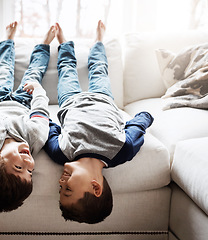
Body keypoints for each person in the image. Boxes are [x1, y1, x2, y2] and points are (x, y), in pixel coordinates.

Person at [44, 20, 154, 224]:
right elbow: (138, 126)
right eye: (67, 188)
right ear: (96, 187)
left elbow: (48, 127)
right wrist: (146, 116)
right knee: (99, 68)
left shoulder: (61, 152)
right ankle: (98, 41)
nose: (60, 181)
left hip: (70, 101)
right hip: (102, 98)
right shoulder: (122, 149)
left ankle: (64, 44)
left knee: (66, 69)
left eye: (61, 187)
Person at [0, 21, 56, 213]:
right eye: (30, 172)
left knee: (3, 70)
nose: (29, 163)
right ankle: (44, 45)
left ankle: (8, 40)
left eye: (19, 168)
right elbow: (41, 112)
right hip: (24, 101)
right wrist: (38, 91)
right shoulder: (34, 136)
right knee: (35, 73)